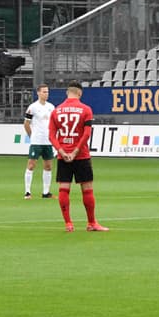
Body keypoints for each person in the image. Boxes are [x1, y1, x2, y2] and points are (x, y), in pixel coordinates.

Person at [51, 84, 107, 232]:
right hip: (81, 155)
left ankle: (68, 223)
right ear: (80, 93)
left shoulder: (56, 111)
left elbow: (51, 135)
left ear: (67, 92)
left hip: (63, 155)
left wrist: (61, 151)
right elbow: (87, 134)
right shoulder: (86, 109)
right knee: (87, 189)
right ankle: (91, 223)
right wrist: (76, 151)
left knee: (64, 189)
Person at [23, 84, 56, 199]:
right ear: (38, 93)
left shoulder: (51, 107)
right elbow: (26, 123)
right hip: (36, 141)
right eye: (44, 92)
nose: (46, 94)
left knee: (48, 166)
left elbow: (54, 123)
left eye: (47, 92)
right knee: (31, 165)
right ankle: (27, 192)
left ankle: (46, 192)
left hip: (48, 141)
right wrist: (32, 136)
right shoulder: (32, 107)